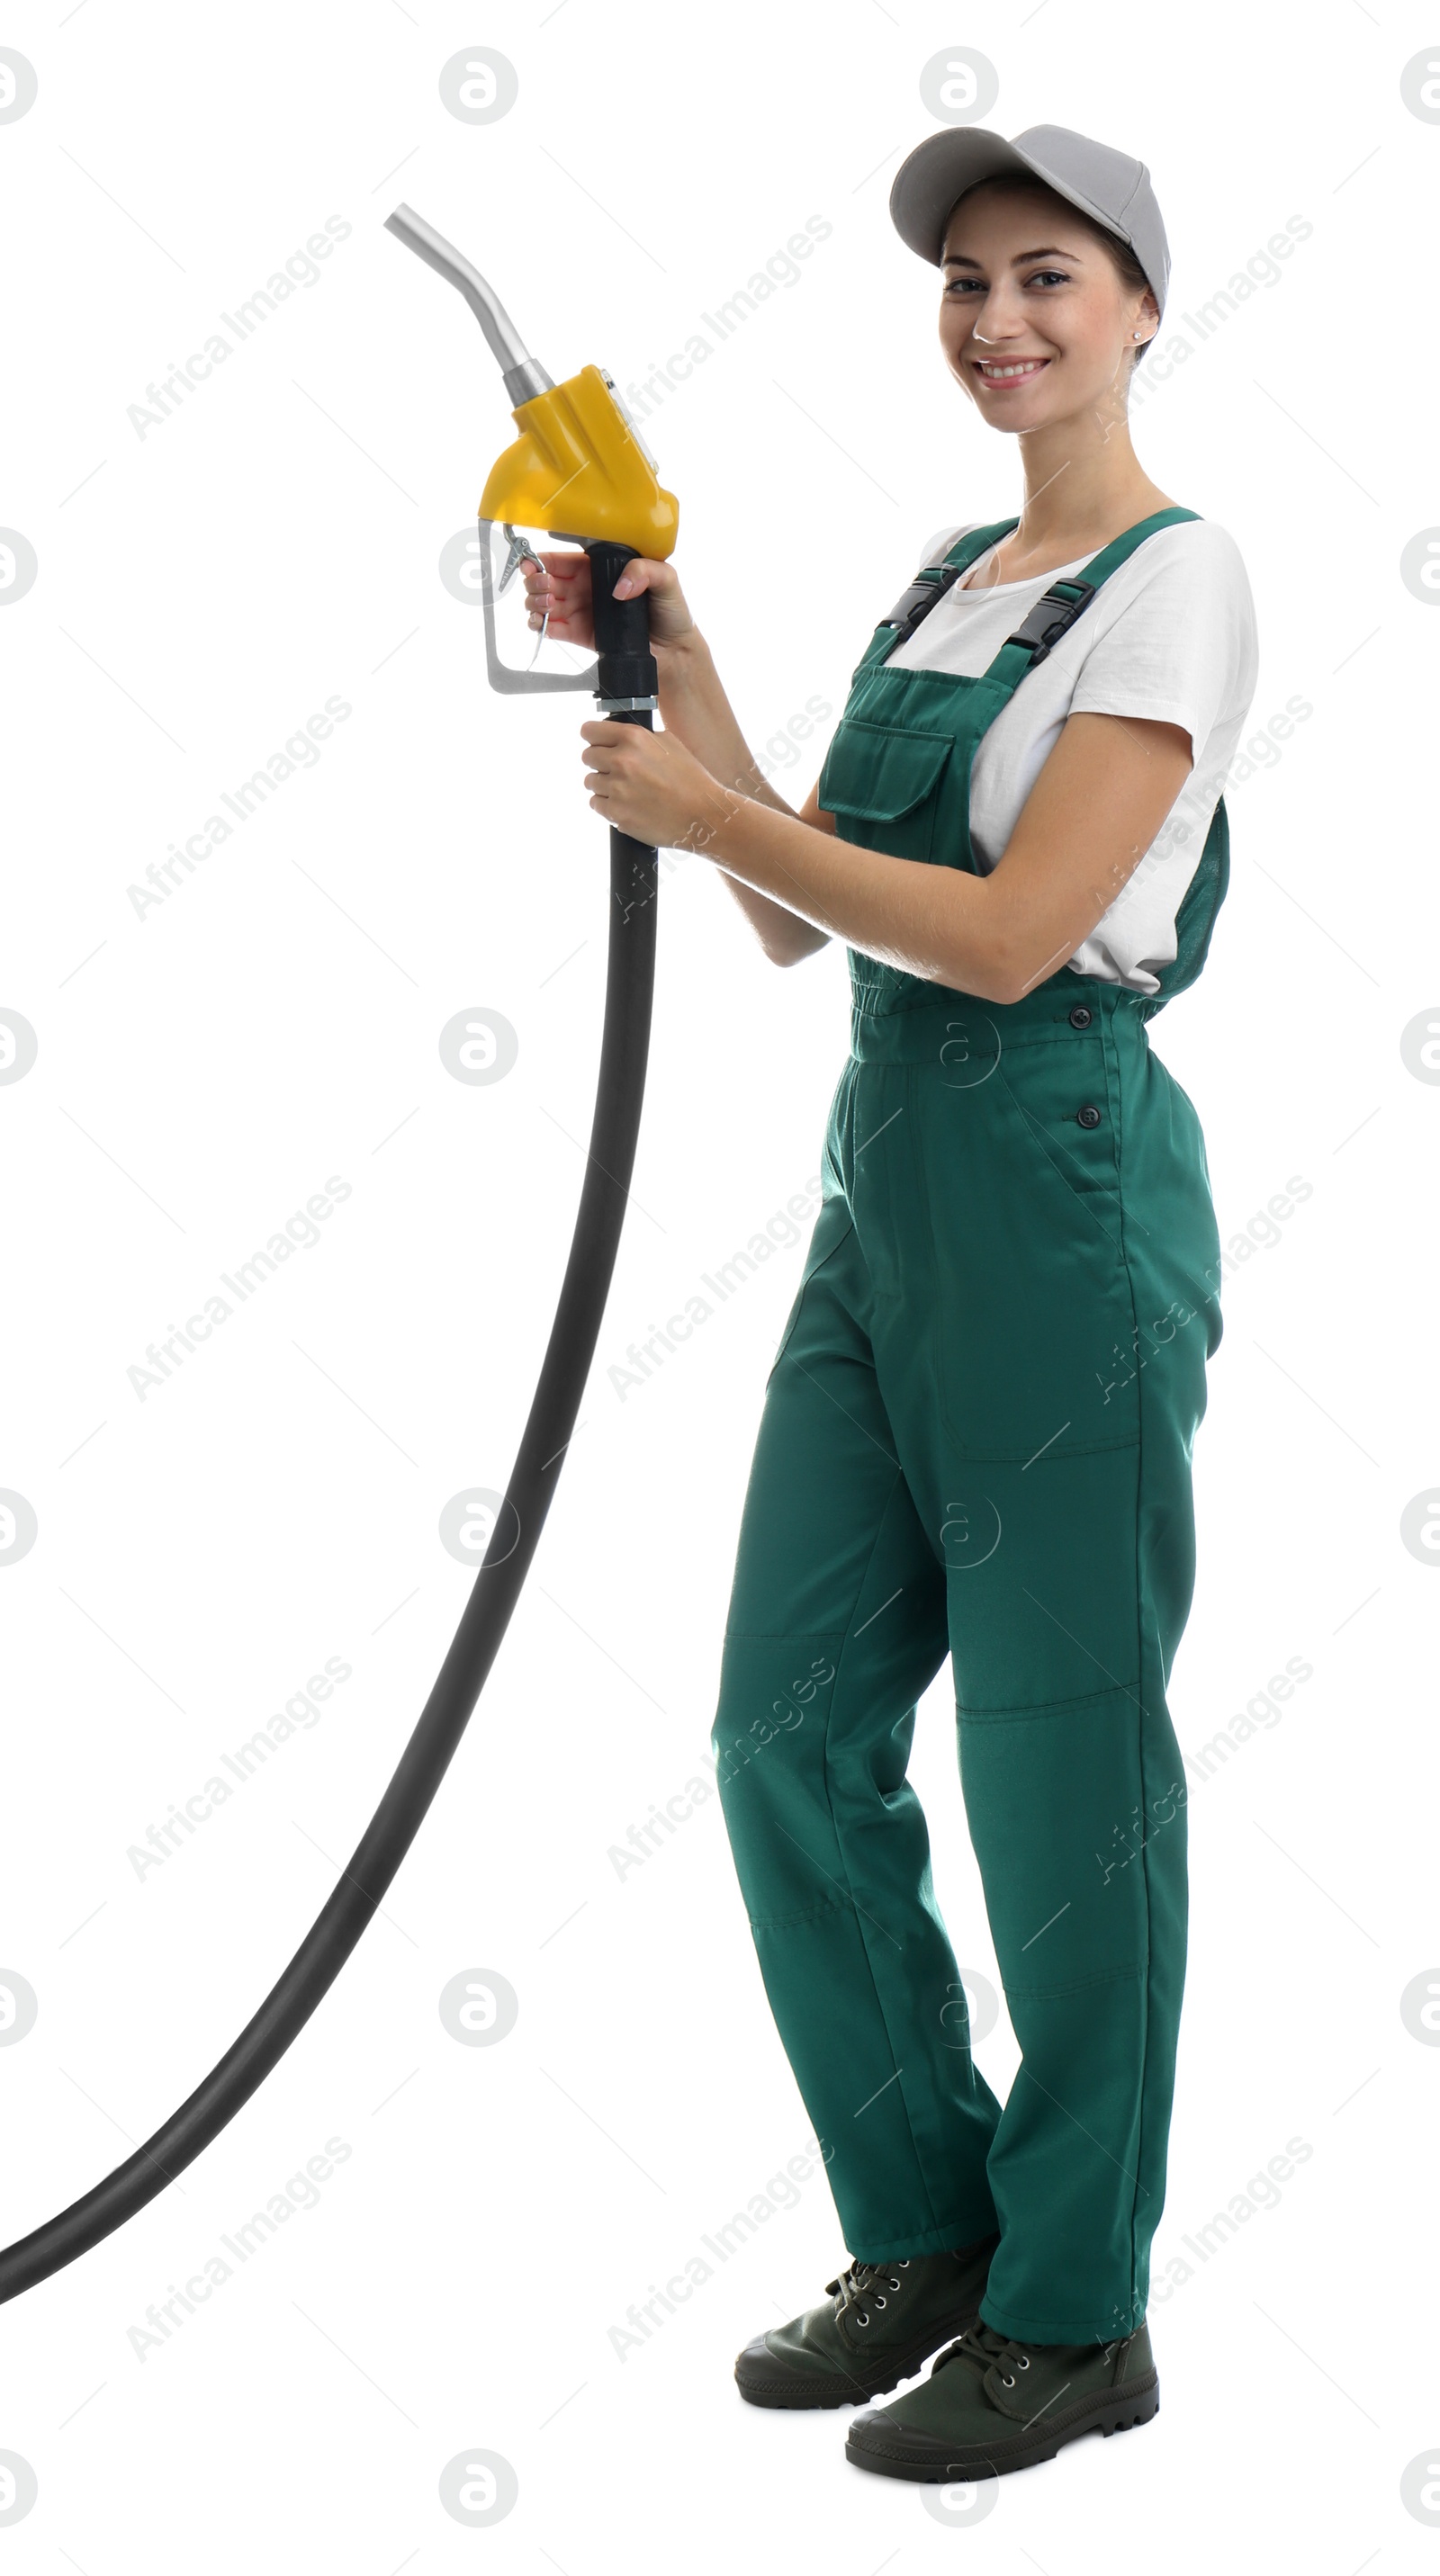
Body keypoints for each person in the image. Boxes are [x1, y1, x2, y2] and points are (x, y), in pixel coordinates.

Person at [523, 121, 1259, 2485]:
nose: (999, 323)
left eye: (1045, 277)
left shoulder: (1170, 582)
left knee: (1056, 1773)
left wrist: (713, 817)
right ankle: (931, 2234)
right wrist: (679, 651)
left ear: (1137, 303)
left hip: (1051, 1198)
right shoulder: (955, 578)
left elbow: (1014, 928)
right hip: (884, 1211)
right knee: (780, 1732)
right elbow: (791, 910)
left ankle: (1078, 2313)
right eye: (966, 288)